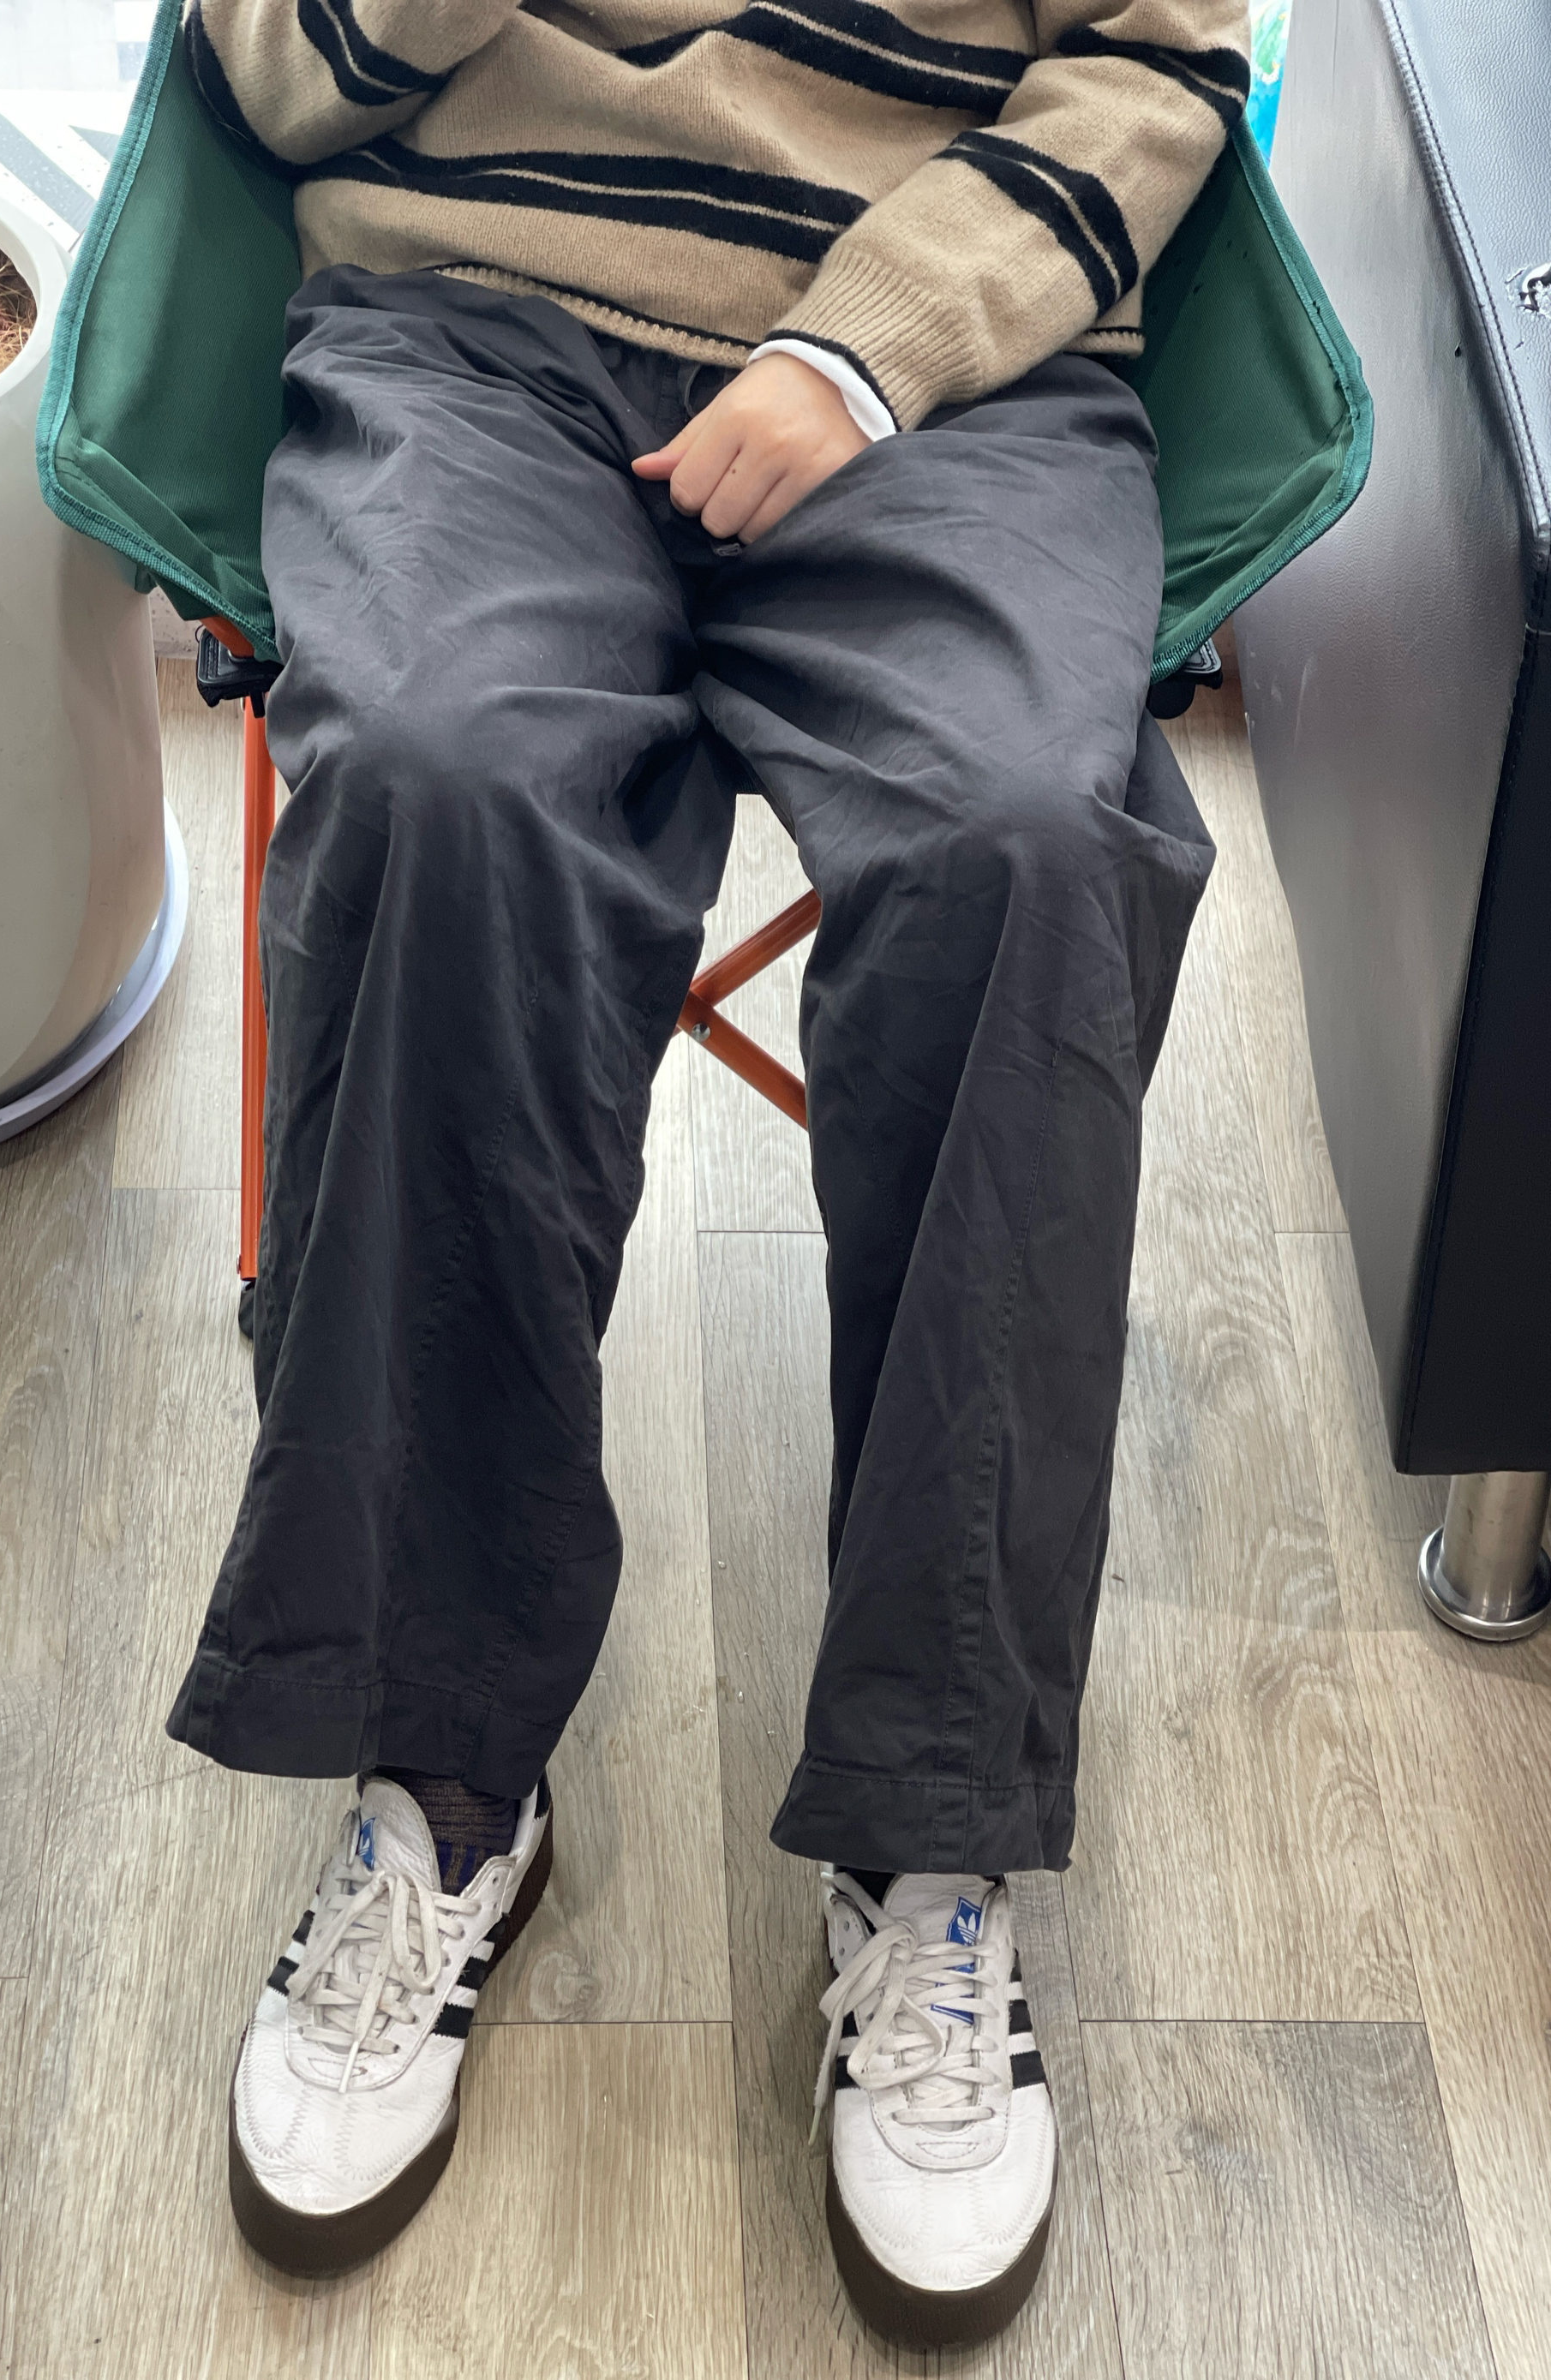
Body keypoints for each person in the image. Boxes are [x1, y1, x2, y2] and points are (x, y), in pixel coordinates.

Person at [169, 0, 1247, 2344]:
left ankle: (932, 1838)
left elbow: (1163, 63)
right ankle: (443, 1774)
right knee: (436, 792)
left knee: (1027, 851)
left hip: (951, 377)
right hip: (475, 326)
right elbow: (270, 66)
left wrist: (870, 353)